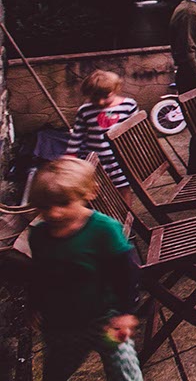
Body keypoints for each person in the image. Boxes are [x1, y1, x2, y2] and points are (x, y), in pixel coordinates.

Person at [28, 157, 143, 381]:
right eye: (44, 207)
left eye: (63, 204)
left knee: (124, 370)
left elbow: (126, 273)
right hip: (61, 322)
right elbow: (38, 273)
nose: (53, 213)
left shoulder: (103, 230)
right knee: (56, 369)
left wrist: (126, 312)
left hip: (105, 318)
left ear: (89, 193)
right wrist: (34, 304)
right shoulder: (40, 234)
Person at [67, 70, 137, 205]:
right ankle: (107, 214)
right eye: (94, 97)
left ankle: (128, 218)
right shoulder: (85, 110)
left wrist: (135, 153)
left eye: (105, 96)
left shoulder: (128, 106)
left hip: (121, 159)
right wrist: (70, 155)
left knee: (123, 188)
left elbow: (134, 132)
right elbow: (77, 135)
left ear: (116, 89)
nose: (100, 101)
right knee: (97, 190)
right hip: (96, 161)